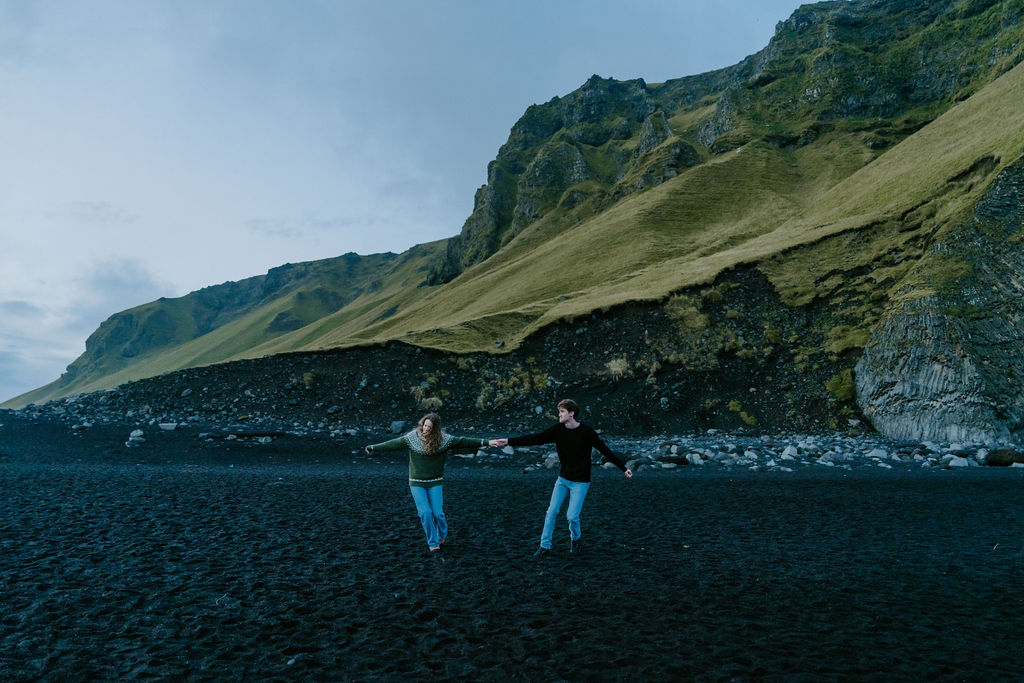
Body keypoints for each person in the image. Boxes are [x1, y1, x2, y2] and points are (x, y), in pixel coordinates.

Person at [490, 399, 632, 556]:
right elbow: (535, 438)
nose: (559, 415)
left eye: (562, 412)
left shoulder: (587, 432)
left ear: (571, 414)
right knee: (551, 511)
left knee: (572, 516)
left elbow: (605, 450)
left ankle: (575, 539)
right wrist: (509, 441)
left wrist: (623, 468)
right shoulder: (557, 430)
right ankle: (544, 546)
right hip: (563, 480)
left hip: (581, 482)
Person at [366, 413, 490, 553]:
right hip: (416, 483)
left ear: (435, 429)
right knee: (425, 513)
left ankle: (442, 535)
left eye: (429, 427)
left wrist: (488, 442)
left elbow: (464, 441)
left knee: (438, 514)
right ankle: (433, 542)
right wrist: (373, 447)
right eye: (424, 425)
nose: (425, 429)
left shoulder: (445, 440)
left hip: (435, 482)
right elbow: (392, 444)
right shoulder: (412, 438)